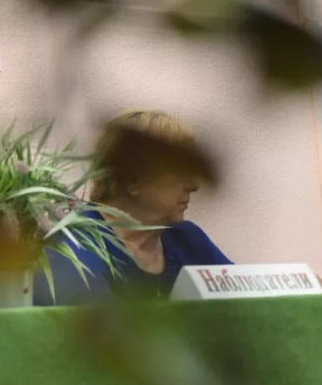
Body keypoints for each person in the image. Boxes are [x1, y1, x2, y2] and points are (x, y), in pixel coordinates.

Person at [34, 109, 231, 305]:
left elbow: (243, 305)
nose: (194, 186)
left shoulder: (188, 241)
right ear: (133, 181)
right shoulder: (75, 248)